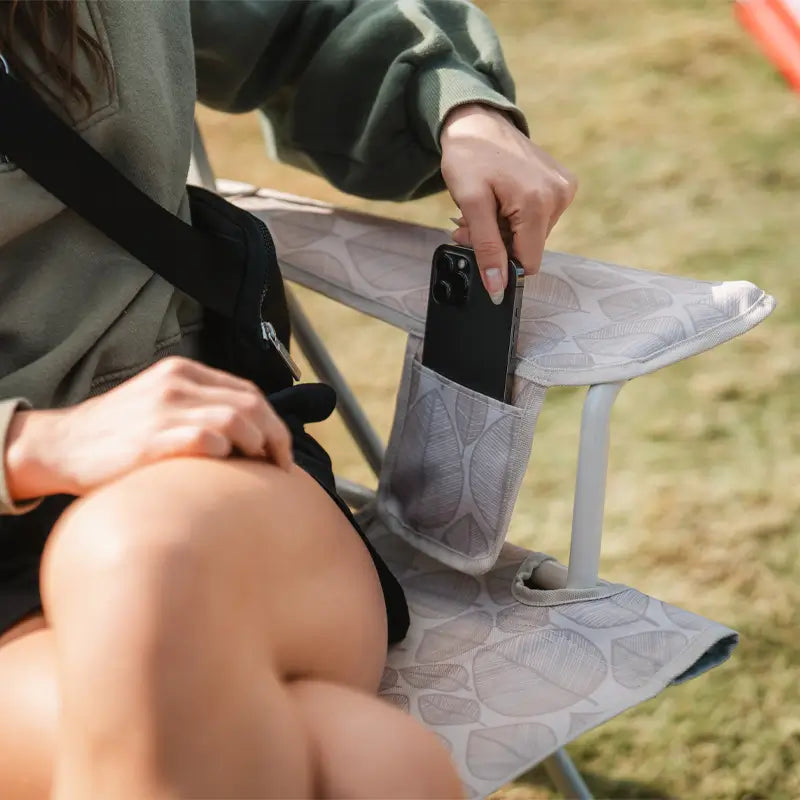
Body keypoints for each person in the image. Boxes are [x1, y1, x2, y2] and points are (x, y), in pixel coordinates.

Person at [0, 1, 577, 798]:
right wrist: (29, 447)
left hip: (193, 474)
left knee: (139, 559)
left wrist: (461, 108)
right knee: (367, 766)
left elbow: (310, 17)